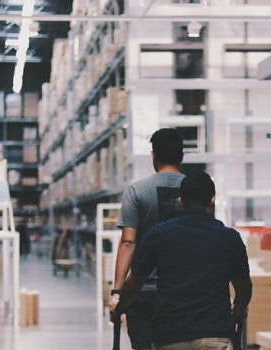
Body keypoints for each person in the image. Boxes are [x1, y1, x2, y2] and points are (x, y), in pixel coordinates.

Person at [112, 171, 253, 350]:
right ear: (213, 199)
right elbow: (244, 289)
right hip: (214, 337)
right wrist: (237, 311)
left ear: (181, 201)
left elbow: (134, 283)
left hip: (171, 338)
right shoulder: (229, 238)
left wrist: (119, 307)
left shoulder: (159, 235)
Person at [110, 128, 186, 349]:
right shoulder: (195, 189)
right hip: (182, 291)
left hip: (141, 291)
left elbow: (128, 242)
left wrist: (117, 292)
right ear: (182, 154)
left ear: (154, 155)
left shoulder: (137, 190)